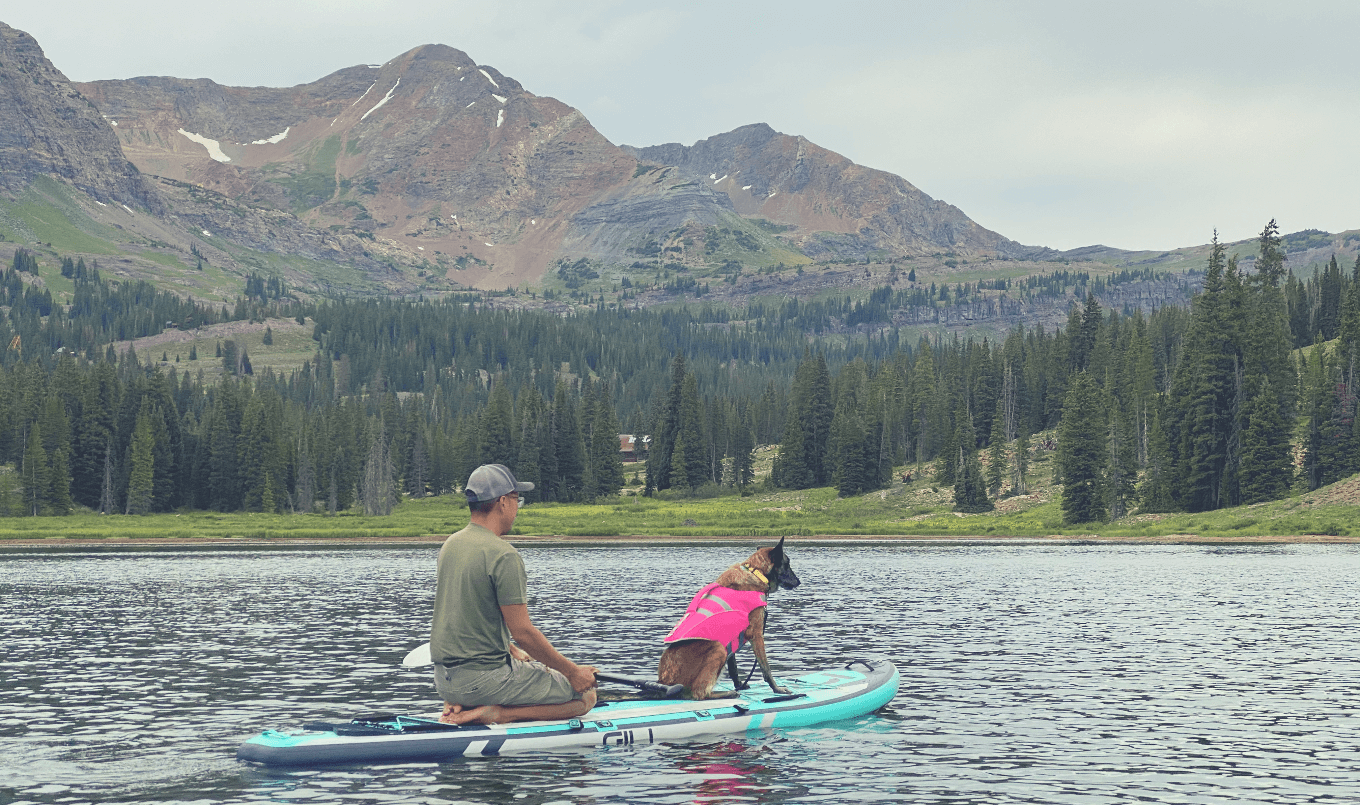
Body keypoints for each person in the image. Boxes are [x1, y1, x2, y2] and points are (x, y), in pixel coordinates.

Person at [432, 463, 597, 725]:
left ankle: (473, 704)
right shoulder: (503, 554)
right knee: (586, 697)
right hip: (483, 681)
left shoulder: (450, 545)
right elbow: (524, 633)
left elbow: (464, 616)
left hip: (446, 684)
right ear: (502, 503)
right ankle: (497, 714)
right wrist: (573, 673)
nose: (517, 507)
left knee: (533, 668)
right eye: (516, 499)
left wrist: (509, 649)